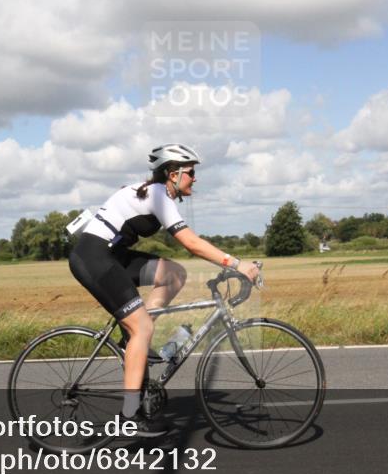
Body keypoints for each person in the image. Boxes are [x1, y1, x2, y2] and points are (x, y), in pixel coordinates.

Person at [68, 144, 260, 436]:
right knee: (142, 328)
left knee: (173, 274)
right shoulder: (159, 194)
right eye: (191, 173)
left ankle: (132, 341)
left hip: (112, 257)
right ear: (173, 174)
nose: (195, 178)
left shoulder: (157, 193)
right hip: (95, 258)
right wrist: (235, 263)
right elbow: (191, 243)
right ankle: (129, 416)